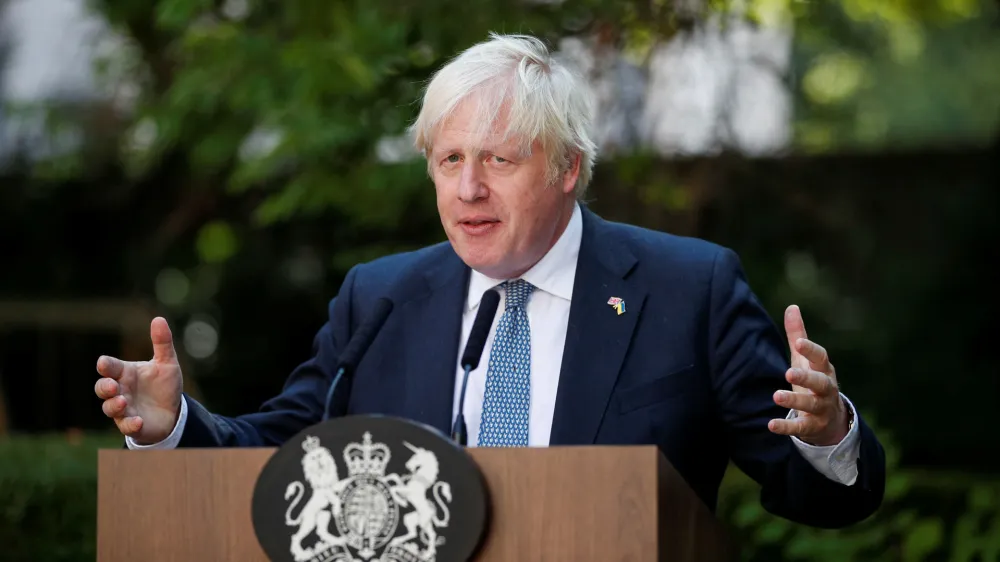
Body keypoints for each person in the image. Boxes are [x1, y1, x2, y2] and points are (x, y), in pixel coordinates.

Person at [94, 33, 884, 528]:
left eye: (499, 160)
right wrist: (171, 428)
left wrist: (825, 433)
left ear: (569, 167)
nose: (468, 189)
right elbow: (284, 454)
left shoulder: (687, 288)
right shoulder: (382, 299)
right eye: (449, 160)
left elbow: (826, 500)